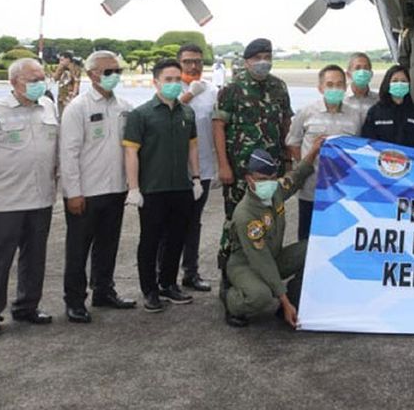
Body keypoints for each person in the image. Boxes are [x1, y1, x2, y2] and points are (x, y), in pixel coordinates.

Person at [0, 58, 59, 340]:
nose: (39, 84)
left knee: (35, 258)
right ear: (14, 83)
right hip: (5, 201)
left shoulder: (48, 107)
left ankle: (26, 306)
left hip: (41, 199)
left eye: (41, 78)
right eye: (31, 80)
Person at [58, 50, 134, 323]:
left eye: (118, 71)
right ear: (92, 75)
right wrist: (73, 192)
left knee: (108, 245)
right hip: (86, 192)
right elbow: (68, 153)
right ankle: (75, 300)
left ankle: (104, 290)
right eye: (109, 72)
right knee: (78, 250)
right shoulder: (78, 108)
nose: (115, 76)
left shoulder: (124, 106)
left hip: (115, 189)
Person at [123, 58, 203, 313]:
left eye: (177, 80)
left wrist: (197, 178)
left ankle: (168, 284)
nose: (173, 84)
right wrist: (134, 188)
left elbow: (192, 147)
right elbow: (131, 153)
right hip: (152, 188)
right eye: (168, 80)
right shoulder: (141, 114)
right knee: (150, 240)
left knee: (177, 238)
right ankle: (150, 290)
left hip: (180, 187)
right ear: (155, 81)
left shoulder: (186, 112)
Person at [221, 147, 320, 328]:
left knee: (314, 249)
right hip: (246, 264)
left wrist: (314, 150)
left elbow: (296, 177)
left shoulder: (275, 191)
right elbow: (261, 261)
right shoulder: (246, 215)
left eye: (272, 179)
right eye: (261, 180)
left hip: (273, 257)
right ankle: (230, 298)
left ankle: (295, 295)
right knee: (261, 296)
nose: (268, 183)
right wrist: (283, 301)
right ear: (249, 179)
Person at [213, 37, 293, 261]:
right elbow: (218, 126)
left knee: (269, 218)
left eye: (267, 58)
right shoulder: (232, 88)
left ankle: (265, 268)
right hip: (240, 170)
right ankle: (229, 271)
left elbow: (286, 122)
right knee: (235, 219)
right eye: (257, 58)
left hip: (271, 171)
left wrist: (287, 161)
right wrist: (223, 166)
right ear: (247, 62)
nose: (263, 62)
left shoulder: (279, 87)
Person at [286, 65, 362, 240]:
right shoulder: (306, 112)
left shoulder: (355, 115)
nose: (335, 89)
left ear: (345, 87)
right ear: (320, 88)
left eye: (339, 84)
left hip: (342, 190)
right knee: (306, 239)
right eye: (330, 84)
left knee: (337, 237)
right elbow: (293, 142)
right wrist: (305, 165)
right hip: (311, 188)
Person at [170, 43, 217, 293]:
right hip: (174, 169)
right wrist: (189, 94)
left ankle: (191, 271)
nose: (193, 65)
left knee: (193, 222)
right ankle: (165, 274)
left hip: (205, 167)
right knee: (171, 223)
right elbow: (168, 113)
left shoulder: (212, 91)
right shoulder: (170, 87)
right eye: (188, 61)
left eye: (198, 61)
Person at [360, 65, 414, 148]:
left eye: (403, 81)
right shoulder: (375, 112)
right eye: (395, 81)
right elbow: (368, 143)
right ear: (387, 84)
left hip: (411, 159)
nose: (399, 84)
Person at [345, 52, 377, 120]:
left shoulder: (378, 100)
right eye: (357, 68)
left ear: (371, 74)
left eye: (366, 68)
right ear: (348, 74)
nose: (362, 72)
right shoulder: (341, 100)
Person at [54, 50, 82, 115]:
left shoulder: (75, 68)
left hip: (70, 95)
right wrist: (59, 69)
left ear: (68, 59)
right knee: (61, 115)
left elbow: (76, 81)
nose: (60, 62)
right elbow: (55, 79)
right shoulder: (61, 68)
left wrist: (74, 94)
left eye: (62, 60)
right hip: (61, 96)